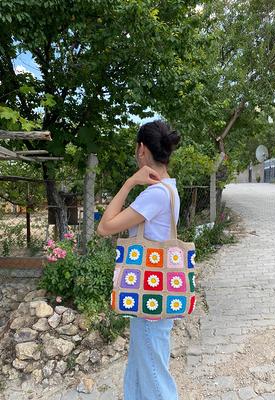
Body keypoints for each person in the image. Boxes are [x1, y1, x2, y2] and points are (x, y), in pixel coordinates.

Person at [97, 119, 181, 400]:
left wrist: (130, 181)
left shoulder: (154, 194)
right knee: (140, 371)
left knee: (155, 380)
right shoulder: (170, 188)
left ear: (142, 150)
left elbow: (105, 226)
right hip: (154, 292)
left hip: (149, 299)